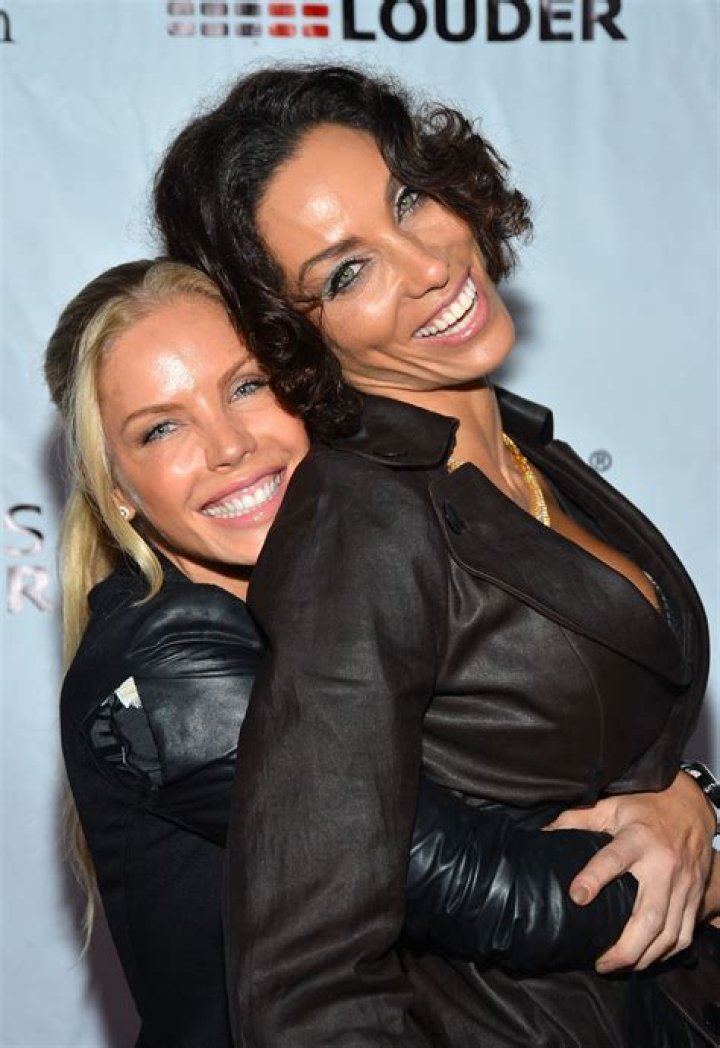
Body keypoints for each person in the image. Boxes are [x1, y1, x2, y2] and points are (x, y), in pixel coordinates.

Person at [153, 65, 720, 1046]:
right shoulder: (360, 527)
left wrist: (692, 805)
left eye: (408, 198)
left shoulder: (522, 452)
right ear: (290, 333)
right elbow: (305, 973)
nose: (424, 265)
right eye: (347, 272)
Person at [48, 259, 650, 1048]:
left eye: (248, 386)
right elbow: (478, 888)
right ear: (115, 487)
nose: (228, 445)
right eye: (161, 428)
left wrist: (686, 803)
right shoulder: (170, 666)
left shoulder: (352, 587)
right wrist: (689, 872)